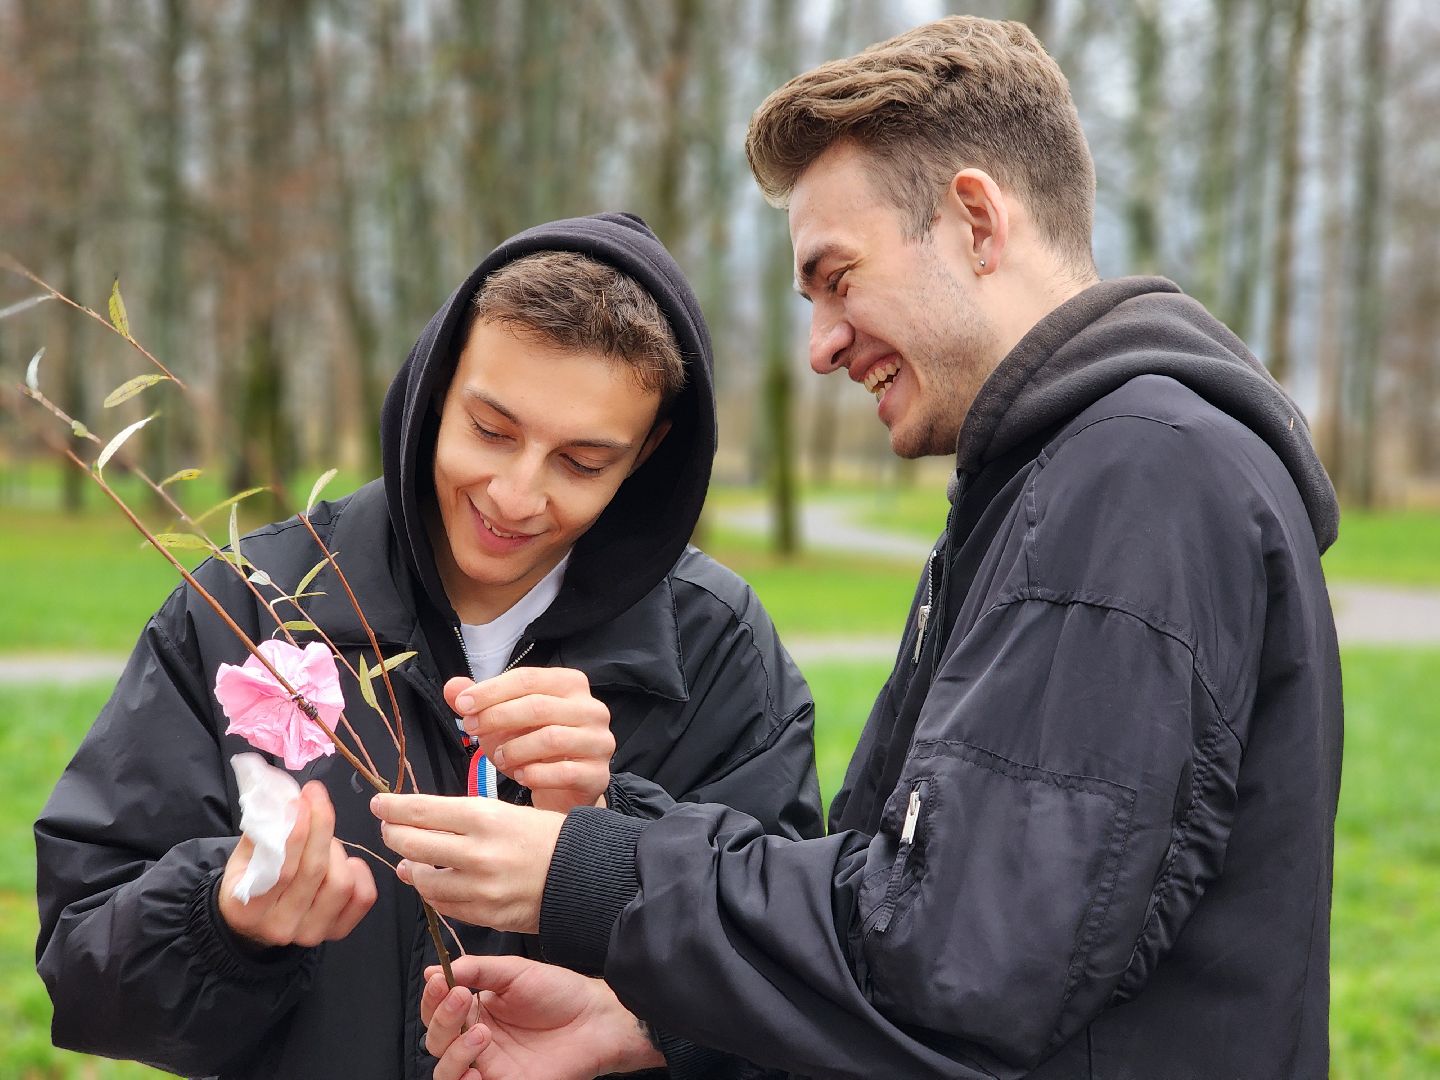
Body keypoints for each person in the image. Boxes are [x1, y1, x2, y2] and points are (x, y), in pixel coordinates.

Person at [384, 16, 1344, 1080]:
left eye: (838, 278)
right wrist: (657, 1027)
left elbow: (969, 961)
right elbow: (921, 907)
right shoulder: (1063, 478)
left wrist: (596, 873)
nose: (822, 346)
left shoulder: (1136, 479)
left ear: (976, 221)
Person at [34, 212, 823, 1079]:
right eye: (491, 430)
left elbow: (795, 992)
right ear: (439, 385)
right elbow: (83, 967)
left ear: (647, 453)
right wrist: (225, 924)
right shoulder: (247, 607)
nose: (515, 496)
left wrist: (611, 835)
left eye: (582, 462)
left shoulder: (717, 649)